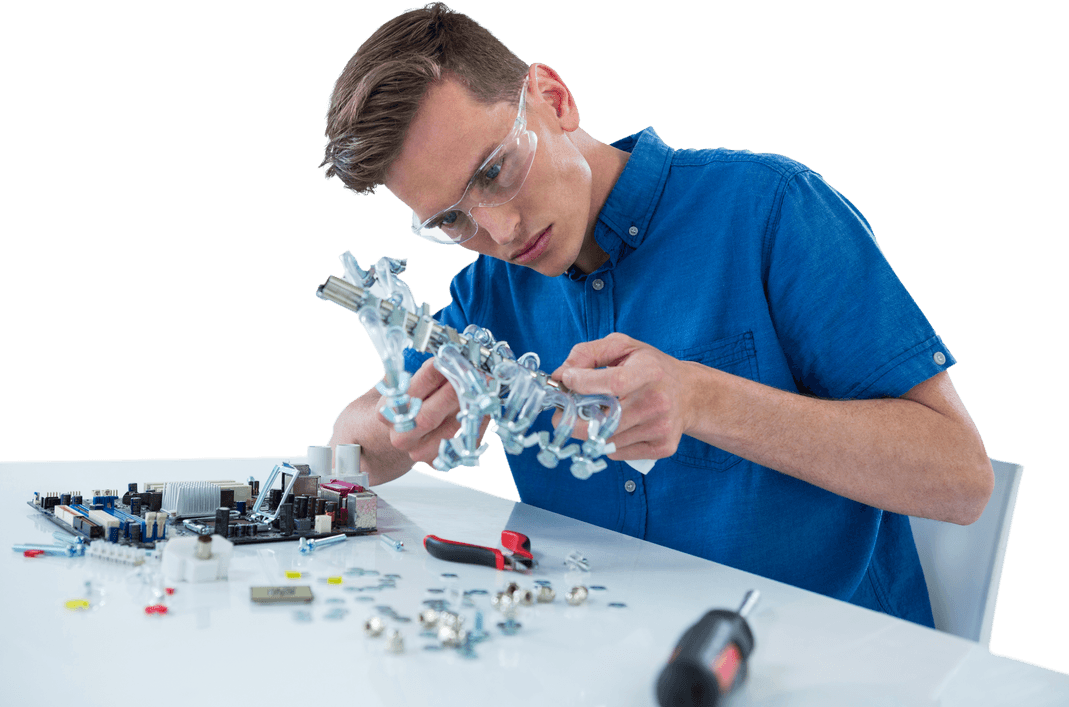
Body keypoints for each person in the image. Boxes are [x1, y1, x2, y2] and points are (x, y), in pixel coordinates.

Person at [318, 3, 993, 626]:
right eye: (452, 219)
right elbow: (350, 447)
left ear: (553, 99)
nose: (499, 229)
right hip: (607, 653)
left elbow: (962, 480)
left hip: (832, 665)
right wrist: (408, 417)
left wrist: (703, 400)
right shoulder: (487, 297)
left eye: (495, 171)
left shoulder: (771, 210)